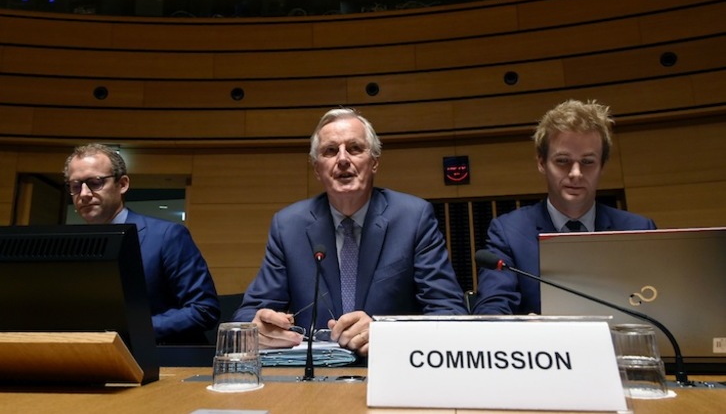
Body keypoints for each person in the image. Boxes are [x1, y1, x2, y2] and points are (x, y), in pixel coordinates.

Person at [233, 107, 467, 356]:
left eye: (354, 148)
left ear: (374, 162)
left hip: (391, 367)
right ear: (316, 168)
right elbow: (249, 314)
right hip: (313, 378)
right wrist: (257, 328)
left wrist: (387, 333)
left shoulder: (413, 217)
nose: (343, 159)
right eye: (330, 151)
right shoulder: (289, 225)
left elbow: (449, 311)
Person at [472, 99, 656, 315]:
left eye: (587, 162)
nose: (576, 173)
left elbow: (657, 308)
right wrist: (521, 329)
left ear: (602, 166)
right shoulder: (509, 232)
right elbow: (491, 310)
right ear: (542, 163)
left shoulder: (638, 230)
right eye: (562, 161)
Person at [64, 143, 220, 344]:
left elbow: (204, 310)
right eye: (76, 186)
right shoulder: (72, 246)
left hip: (163, 360)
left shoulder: (167, 236)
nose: (84, 194)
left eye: (95, 182)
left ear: (123, 184)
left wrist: (129, 330)